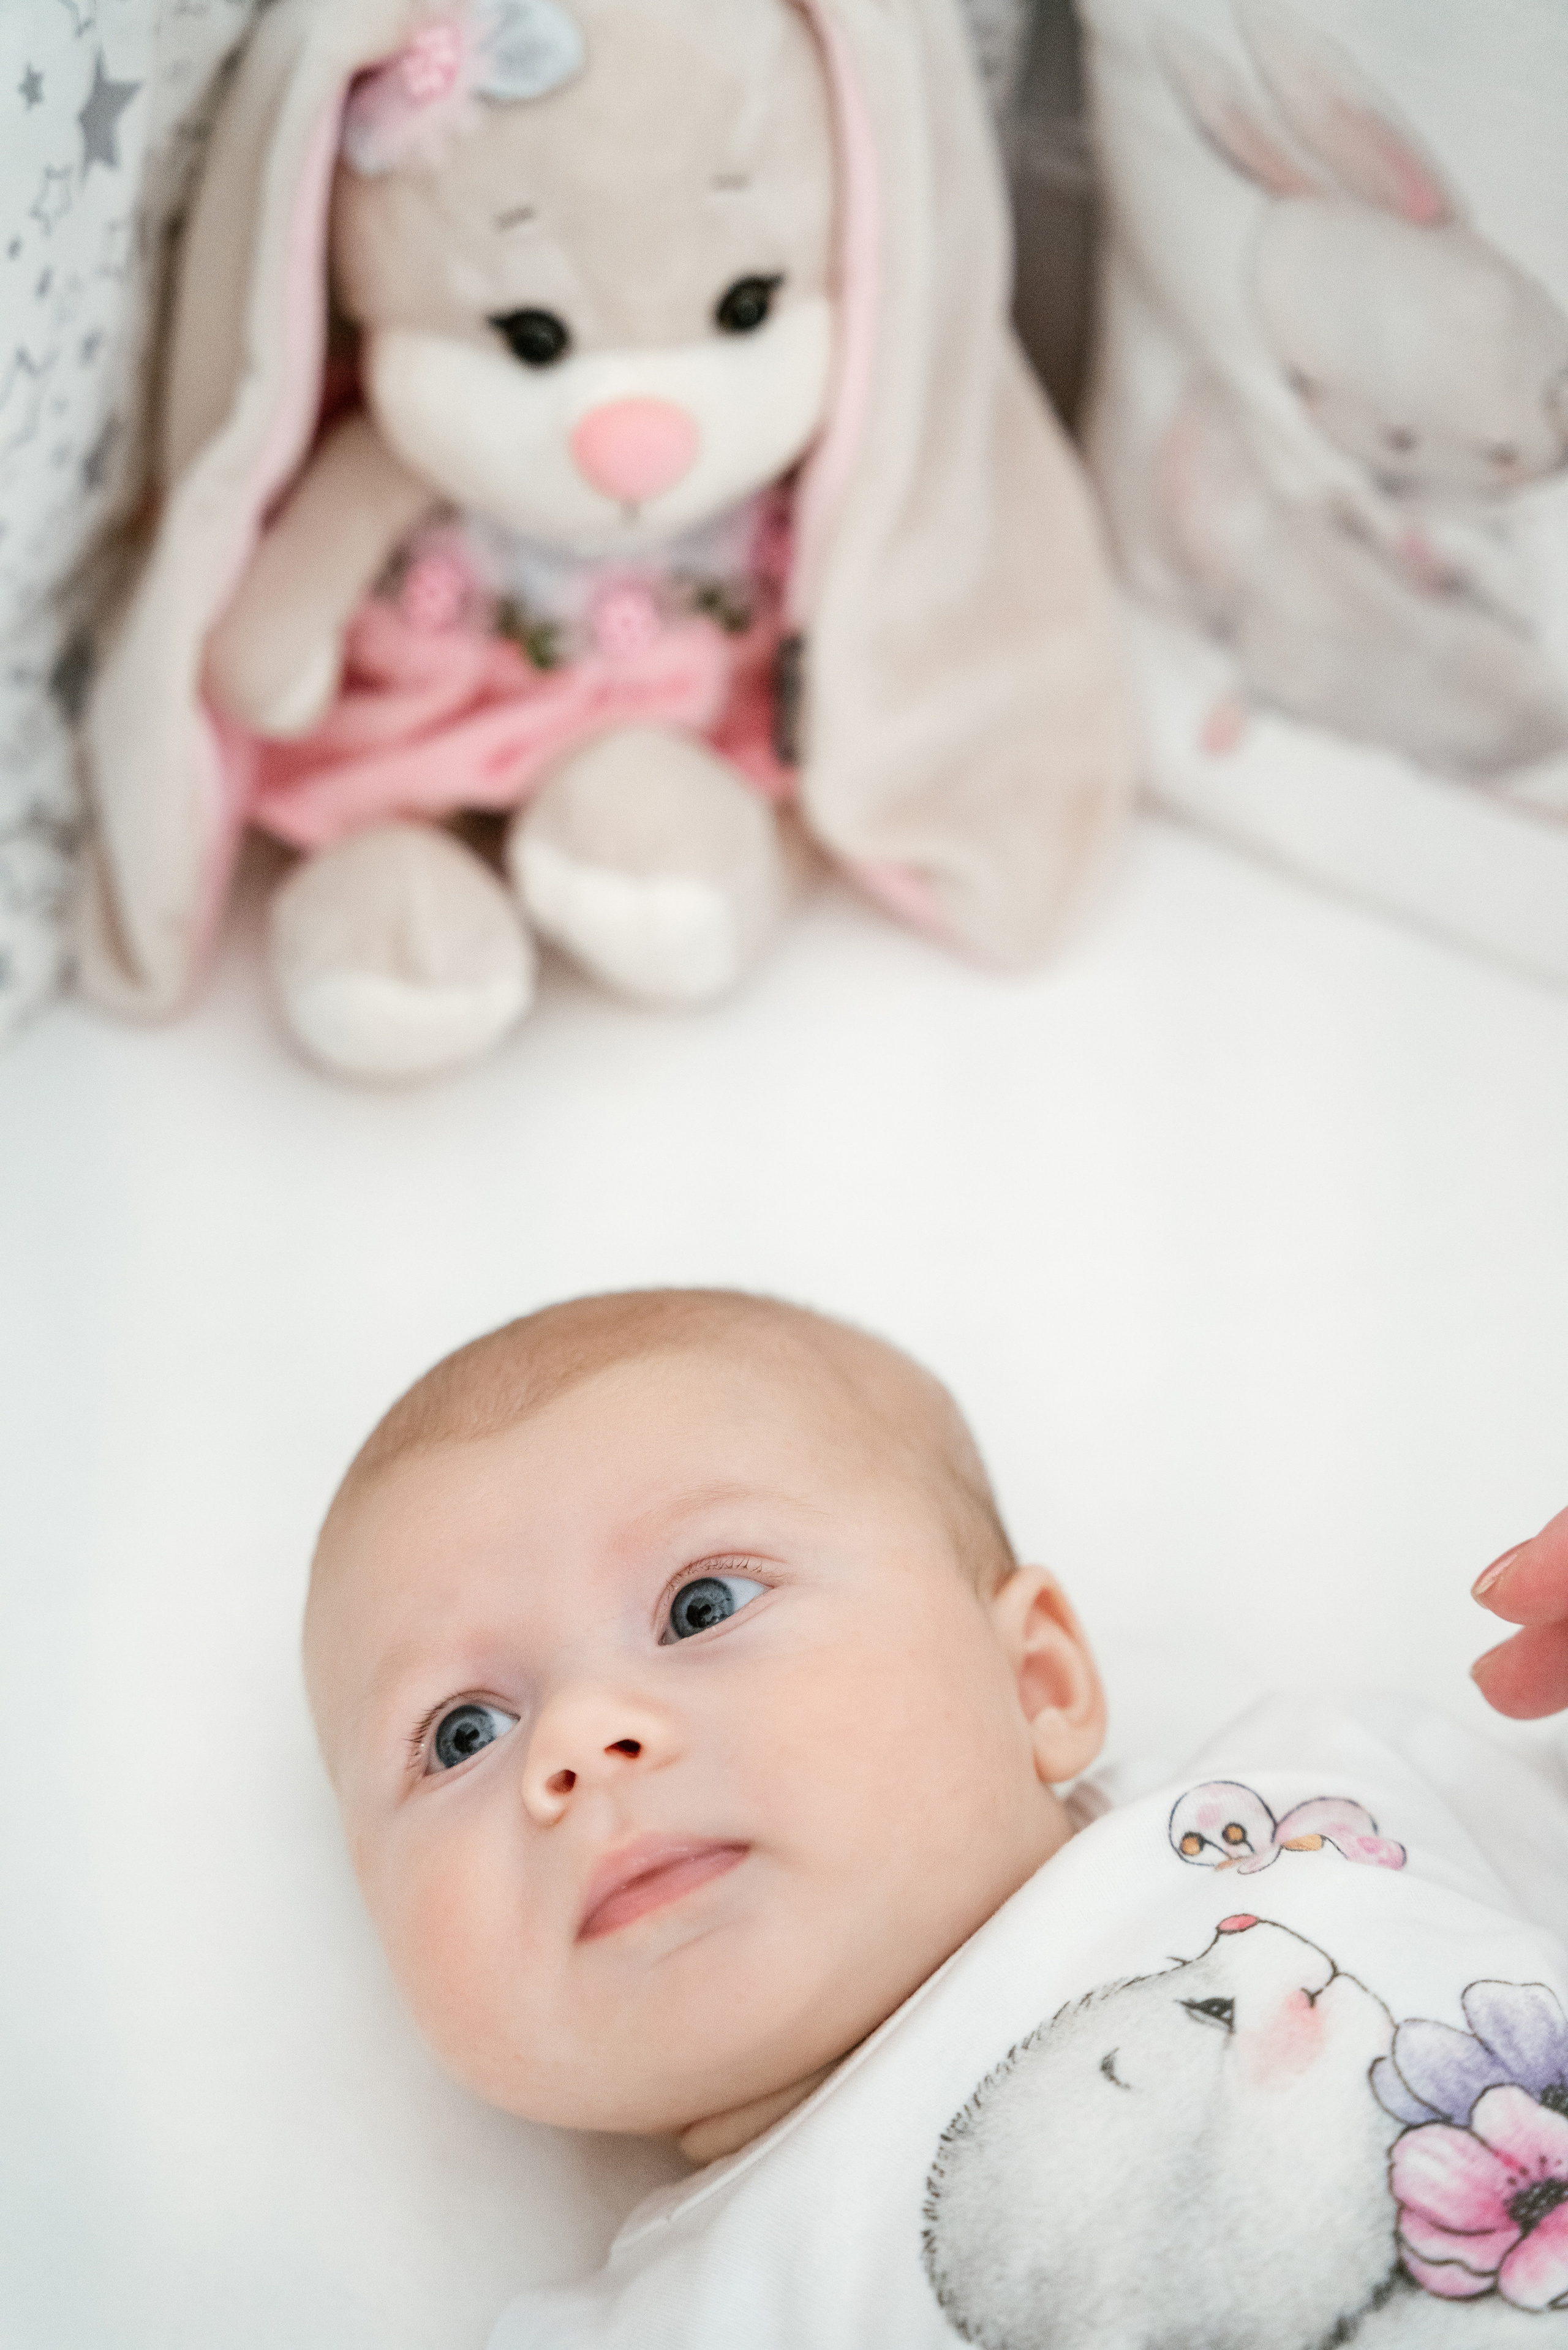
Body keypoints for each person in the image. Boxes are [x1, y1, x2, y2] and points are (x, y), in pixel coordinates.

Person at [304, 1291, 1568, 2345]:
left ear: (1035, 1681)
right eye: (462, 1732)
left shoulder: (1328, 1781)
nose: (577, 1739)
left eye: (701, 1607)